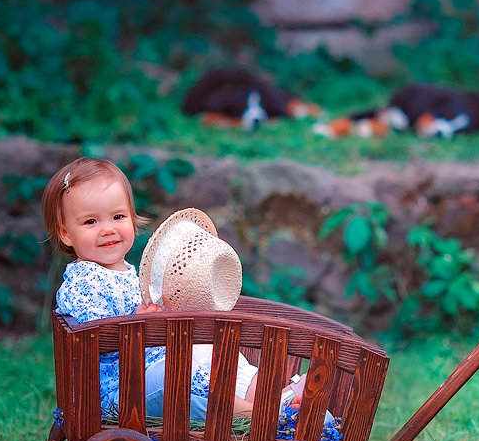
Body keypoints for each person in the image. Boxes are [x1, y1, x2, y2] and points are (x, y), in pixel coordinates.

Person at [41, 157, 291, 420]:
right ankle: (265, 417)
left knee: (211, 349)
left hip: (146, 372)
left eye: (118, 216)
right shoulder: (84, 283)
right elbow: (94, 341)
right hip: (118, 393)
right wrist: (137, 325)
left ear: (132, 218)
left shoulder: (125, 271)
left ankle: (272, 397)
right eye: (91, 222)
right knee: (179, 372)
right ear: (66, 233)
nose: (108, 229)